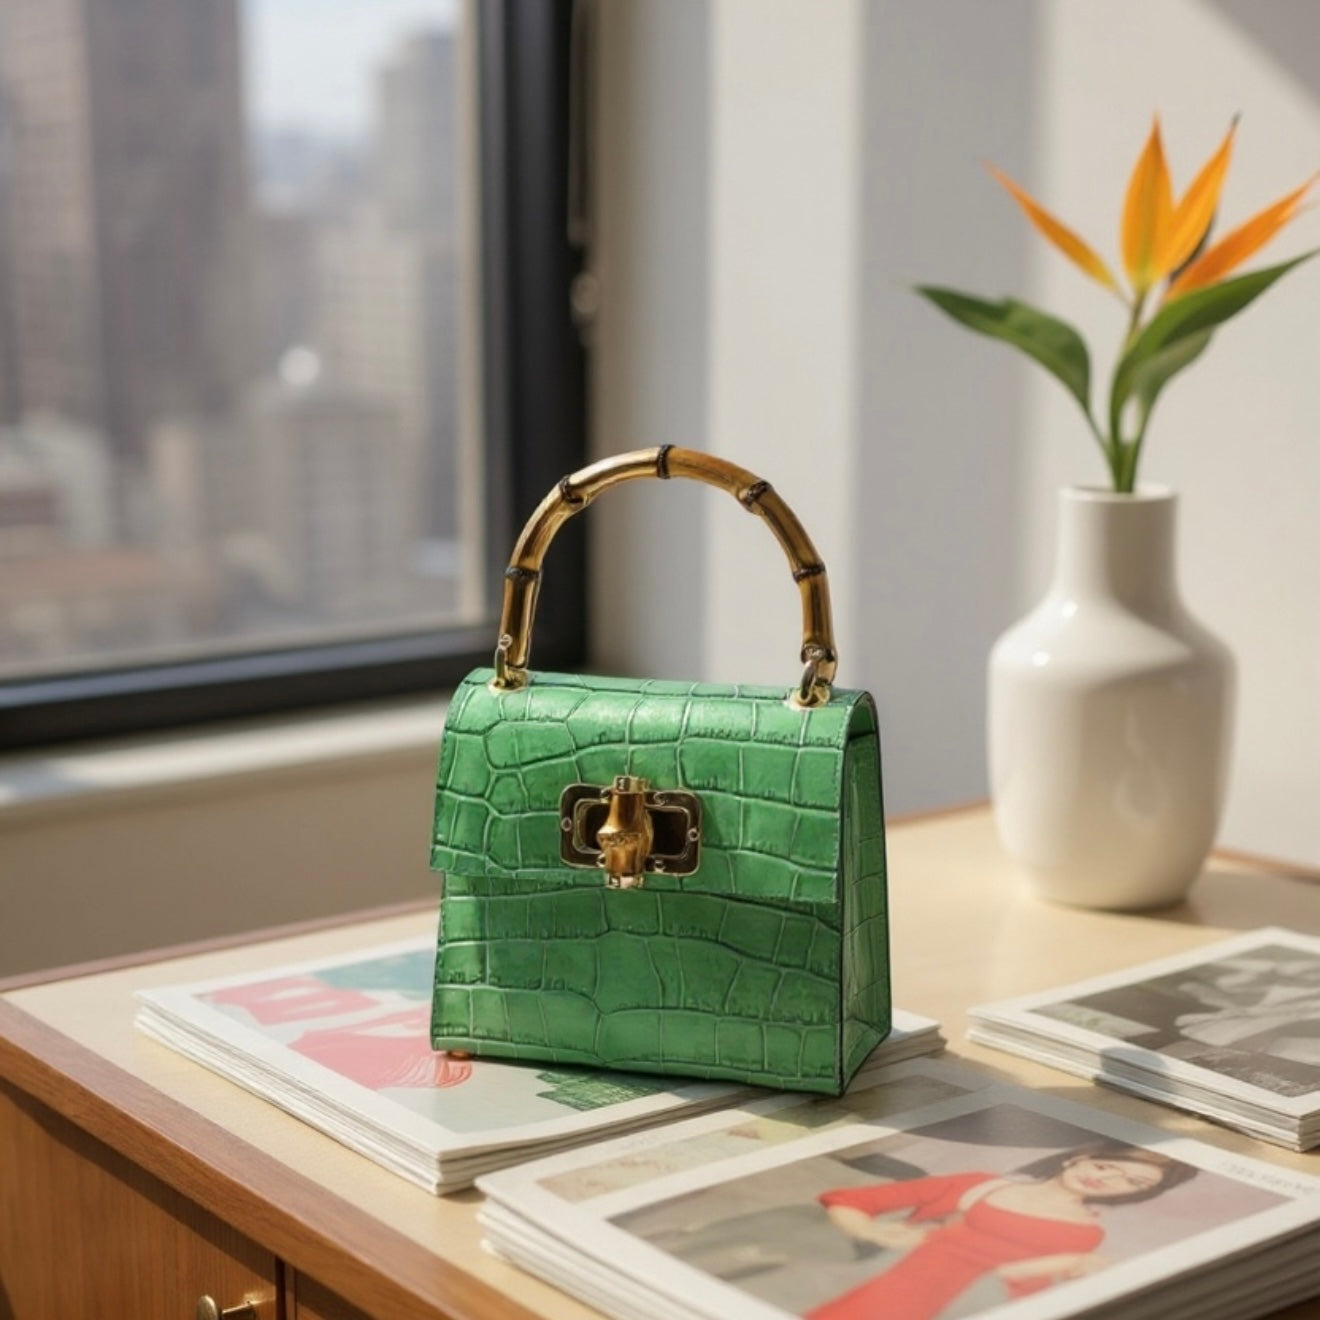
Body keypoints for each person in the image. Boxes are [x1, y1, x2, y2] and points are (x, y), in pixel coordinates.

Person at [805, 1143, 1196, 1320]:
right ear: (1082, 1157)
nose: (1111, 1180)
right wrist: (874, 1233)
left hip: (957, 1306)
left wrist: (1069, 1264)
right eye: (1106, 1166)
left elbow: (1014, 1291)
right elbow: (852, 1200)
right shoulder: (978, 1184)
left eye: (1133, 1182)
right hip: (883, 1283)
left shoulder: (1084, 1236)